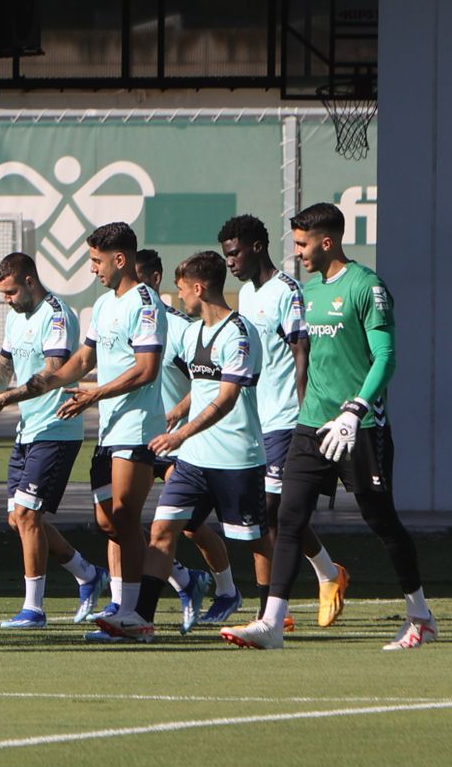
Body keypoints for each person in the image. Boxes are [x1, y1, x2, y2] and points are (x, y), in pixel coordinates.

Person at [223, 203, 435, 651]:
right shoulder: (309, 293)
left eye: (302, 244)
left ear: (327, 241)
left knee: (381, 520)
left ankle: (419, 614)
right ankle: (272, 624)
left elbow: (386, 358)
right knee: (287, 515)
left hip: (360, 427)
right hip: (311, 425)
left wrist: (356, 410)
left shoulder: (367, 286)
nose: (297, 252)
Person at [220, 214, 348, 628]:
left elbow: (301, 351)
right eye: (226, 256)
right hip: (256, 421)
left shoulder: (287, 291)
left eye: (235, 252)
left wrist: (305, 411)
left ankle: (277, 610)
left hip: (287, 419)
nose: (231, 262)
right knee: (274, 514)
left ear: (257, 247)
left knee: (273, 509)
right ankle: (329, 574)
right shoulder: (244, 293)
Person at [0, 253, 107, 628]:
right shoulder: (16, 317)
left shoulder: (57, 315)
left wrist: (3, 399)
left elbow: (50, 374)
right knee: (18, 519)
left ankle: (34, 609)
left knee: (28, 515)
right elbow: (4, 364)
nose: (8, 300)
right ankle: (87, 573)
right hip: (28, 430)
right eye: (3, 294)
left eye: (11, 292)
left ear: (30, 281)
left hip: (56, 429)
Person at [135, 251, 265, 637]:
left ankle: (272, 615)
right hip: (193, 460)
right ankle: (141, 619)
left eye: (181, 289)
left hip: (236, 457)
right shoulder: (192, 333)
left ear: (198, 287)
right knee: (163, 529)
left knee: (255, 541)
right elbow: (203, 386)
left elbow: (226, 397)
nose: (179, 297)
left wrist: (179, 433)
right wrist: (179, 408)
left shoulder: (240, 333)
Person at [133, 249, 224, 633]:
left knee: (189, 525)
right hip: (140, 434)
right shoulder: (125, 317)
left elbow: (208, 381)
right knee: (120, 521)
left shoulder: (180, 328)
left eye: (140, 282)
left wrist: (179, 415)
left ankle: (230, 590)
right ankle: (172, 588)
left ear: (154, 280)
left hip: (181, 441)